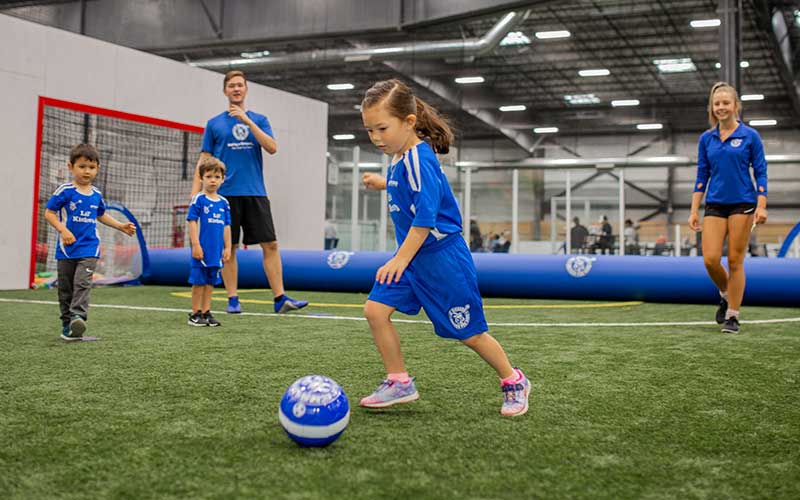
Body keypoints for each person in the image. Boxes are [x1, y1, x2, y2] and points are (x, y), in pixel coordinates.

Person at [358, 79, 530, 417]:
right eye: (369, 130)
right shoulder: (401, 156)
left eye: (382, 128)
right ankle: (399, 380)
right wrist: (384, 184)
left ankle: (513, 380)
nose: (376, 137)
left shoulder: (419, 160)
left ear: (408, 122)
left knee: (471, 334)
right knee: (375, 311)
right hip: (413, 261)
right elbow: (409, 193)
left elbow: (425, 218)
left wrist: (399, 259)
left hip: (441, 260)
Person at [193, 70, 307, 314]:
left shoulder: (259, 119)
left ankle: (280, 299)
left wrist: (248, 121)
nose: (236, 89)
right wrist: (195, 193)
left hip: (255, 193)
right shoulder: (214, 124)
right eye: (232, 85)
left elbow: (273, 148)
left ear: (246, 89)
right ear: (225, 90)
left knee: (271, 244)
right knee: (229, 247)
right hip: (225, 196)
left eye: (240, 85)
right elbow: (203, 160)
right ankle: (233, 299)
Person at [689, 81, 768, 334]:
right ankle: (726, 293)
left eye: (726, 103)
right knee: (711, 259)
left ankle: (732, 315)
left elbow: (761, 171)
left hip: (743, 204)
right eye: (717, 104)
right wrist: (693, 209)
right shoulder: (706, 139)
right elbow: (702, 174)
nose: (721, 107)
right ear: (712, 108)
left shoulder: (750, 136)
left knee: (735, 260)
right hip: (715, 204)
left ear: (736, 106)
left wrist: (761, 205)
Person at [44, 144, 136, 341]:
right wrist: (63, 229)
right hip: (66, 250)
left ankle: (78, 316)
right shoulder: (65, 191)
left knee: (82, 283)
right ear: (71, 167)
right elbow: (49, 213)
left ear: (98, 169)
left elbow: (101, 215)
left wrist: (120, 226)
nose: (87, 171)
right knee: (65, 288)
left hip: (89, 248)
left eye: (91, 167)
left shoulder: (96, 194)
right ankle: (67, 325)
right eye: (82, 166)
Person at [186, 157, 232, 327]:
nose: (213, 180)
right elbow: (192, 222)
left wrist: (227, 247)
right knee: (198, 282)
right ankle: (195, 313)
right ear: (201, 178)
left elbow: (227, 226)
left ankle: (206, 311)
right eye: (209, 176)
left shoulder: (224, 203)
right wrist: (196, 245)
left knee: (211, 282)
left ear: (223, 179)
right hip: (202, 250)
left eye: (217, 177)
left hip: (216, 251)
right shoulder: (198, 199)